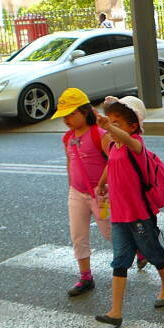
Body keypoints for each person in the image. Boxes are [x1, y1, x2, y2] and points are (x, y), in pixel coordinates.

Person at [94, 96, 164, 327]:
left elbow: (128, 142)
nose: (111, 126)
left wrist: (108, 127)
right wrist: (101, 182)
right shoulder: (114, 146)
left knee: (152, 251)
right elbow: (111, 163)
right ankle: (115, 311)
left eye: (118, 122)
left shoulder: (136, 145)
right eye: (110, 121)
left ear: (133, 126)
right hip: (119, 215)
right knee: (119, 260)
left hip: (139, 213)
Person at [52, 88, 112, 297]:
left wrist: (103, 185)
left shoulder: (99, 134)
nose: (66, 120)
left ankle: (139, 250)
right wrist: (72, 186)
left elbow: (114, 160)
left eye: (71, 114)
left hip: (101, 192)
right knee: (78, 235)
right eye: (64, 116)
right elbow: (70, 163)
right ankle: (85, 276)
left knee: (110, 232)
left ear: (85, 111)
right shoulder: (68, 138)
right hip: (76, 193)